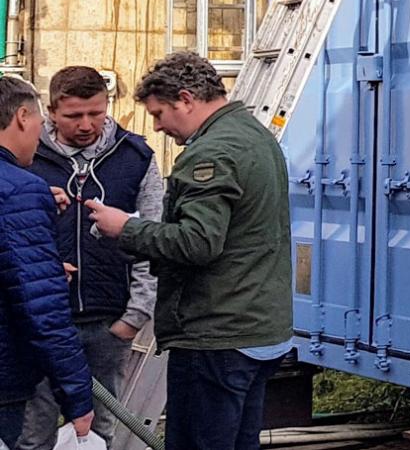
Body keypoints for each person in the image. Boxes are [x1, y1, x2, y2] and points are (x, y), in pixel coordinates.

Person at [87, 52, 293, 450]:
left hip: (217, 334)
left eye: (160, 113)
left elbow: (198, 242)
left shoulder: (211, 153)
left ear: (185, 98)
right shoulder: (255, 136)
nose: (159, 127)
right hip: (259, 329)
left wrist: (126, 227)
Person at [19, 67, 164, 450]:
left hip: (109, 322)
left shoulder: (136, 156)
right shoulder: (26, 156)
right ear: (51, 111)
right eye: (73, 116)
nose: (86, 124)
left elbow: (154, 237)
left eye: (95, 113)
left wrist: (135, 316)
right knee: (34, 432)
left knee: (101, 433)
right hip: (44, 323)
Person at [0, 74, 96, 448]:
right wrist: (77, 394)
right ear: (23, 117)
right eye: (41, 123)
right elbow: (41, 306)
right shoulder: (20, 189)